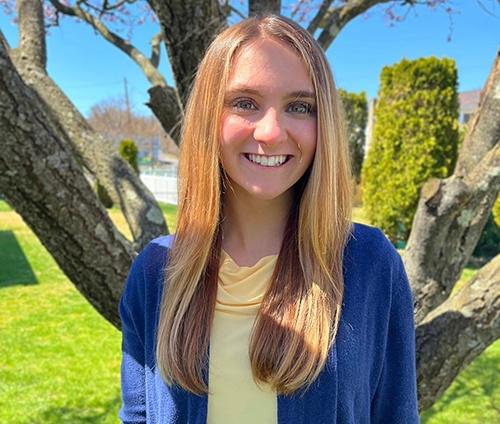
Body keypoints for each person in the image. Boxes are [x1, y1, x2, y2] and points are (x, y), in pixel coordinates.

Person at [119, 14, 420, 424]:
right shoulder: (156, 272)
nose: (271, 132)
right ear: (210, 115)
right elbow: (137, 413)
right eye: (245, 103)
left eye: (300, 107)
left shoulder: (370, 264)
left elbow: (395, 414)